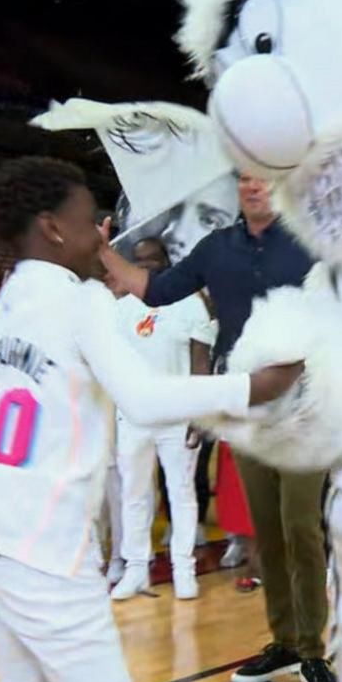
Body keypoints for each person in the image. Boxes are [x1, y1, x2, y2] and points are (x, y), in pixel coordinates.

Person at [0, 156, 301, 682]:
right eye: (93, 223)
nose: (103, 238)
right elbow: (142, 398)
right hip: (42, 548)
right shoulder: (80, 298)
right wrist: (251, 387)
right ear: (54, 229)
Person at [98, 173, 342, 682]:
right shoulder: (216, 248)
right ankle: (283, 642)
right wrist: (102, 251)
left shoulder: (310, 243)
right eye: (246, 179)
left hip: (306, 401)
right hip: (245, 401)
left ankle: (313, 651)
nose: (255, 187)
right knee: (267, 531)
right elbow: (156, 292)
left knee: (301, 524)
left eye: (266, 178)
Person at [107, 237, 216, 602]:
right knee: (134, 494)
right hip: (135, 415)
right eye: (141, 260)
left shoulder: (190, 304)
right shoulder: (122, 308)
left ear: (167, 262)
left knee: (181, 494)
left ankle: (182, 569)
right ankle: (136, 568)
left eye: (155, 259)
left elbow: (202, 362)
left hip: (178, 415)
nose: (148, 265)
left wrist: (199, 415)